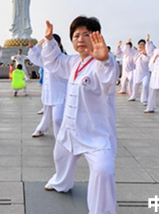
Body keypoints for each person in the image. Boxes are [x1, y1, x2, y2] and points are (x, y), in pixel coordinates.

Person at [41, 17, 118, 214]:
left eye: (86, 34)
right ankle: (61, 182)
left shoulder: (104, 63)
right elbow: (54, 61)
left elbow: (109, 83)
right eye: (76, 36)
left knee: (103, 170)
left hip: (95, 132)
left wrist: (105, 60)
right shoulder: (74, 61)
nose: (80, 39)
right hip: (70, 128)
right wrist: (50, 41)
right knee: (60, 156)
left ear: (96, 37)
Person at [28, 33, 67, 138]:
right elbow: (35, 58)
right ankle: (41, 129)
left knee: (58, 118)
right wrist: (35, 47)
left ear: (58, 45)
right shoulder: (46, 60)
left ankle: (61, 138)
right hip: (48, 90)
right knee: (46, 114)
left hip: (60, 92)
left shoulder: (63, 58)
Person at [127, 37, 150, 105]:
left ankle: (144, 99)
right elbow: (130, 53)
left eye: (142, 44)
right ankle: (133, 96)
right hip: (137, 73)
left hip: (145, 73)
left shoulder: (148, 53)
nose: (141, 46)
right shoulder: (137, 53)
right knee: (135, 85)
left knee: (145, 85)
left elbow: (148, 60)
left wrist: (145, 54)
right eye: (139, 44)